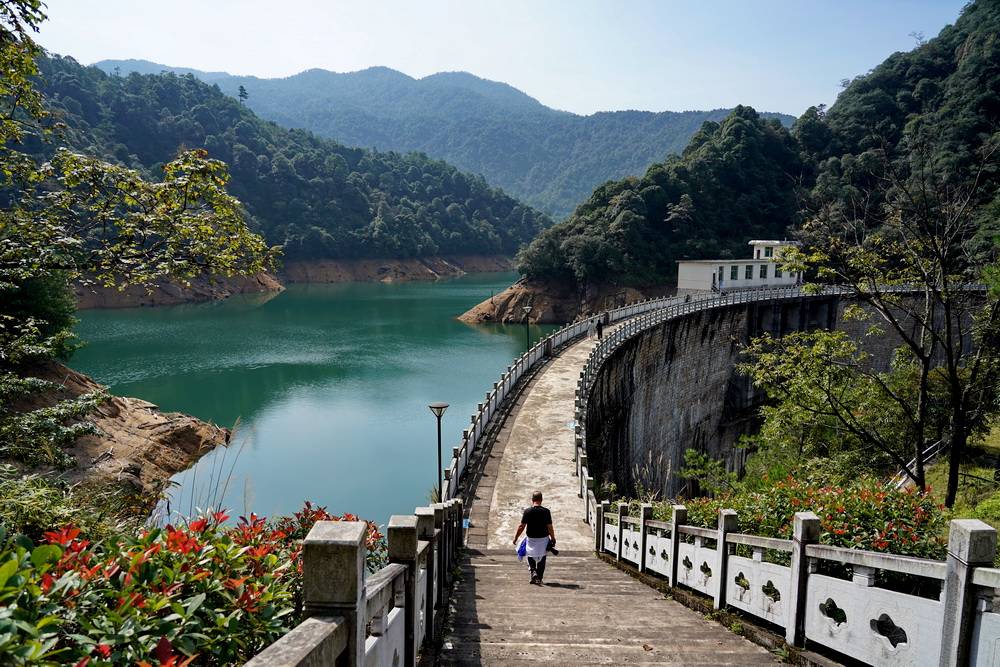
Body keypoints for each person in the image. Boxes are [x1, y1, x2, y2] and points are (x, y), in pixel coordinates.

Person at [512, 490, 555, 585]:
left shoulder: (527, 511)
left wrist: (516, 538)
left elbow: (521, 526)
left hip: (531, 538)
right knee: (542, 557)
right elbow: (550, 527)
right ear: (541, 500)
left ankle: (533, 571)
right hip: (543, 538)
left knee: (530, 555)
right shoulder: (546, 512)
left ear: (532, 500)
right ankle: (539, 578)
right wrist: (553, 538)